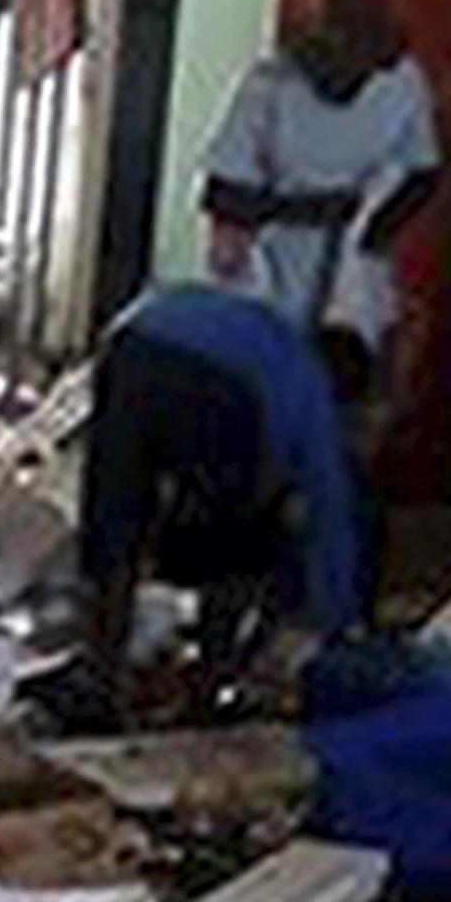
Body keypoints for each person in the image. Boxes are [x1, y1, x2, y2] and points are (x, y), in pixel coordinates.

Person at [79, 284, 368, 708]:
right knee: (234, 535)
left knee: (116, 515)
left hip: (127, 339)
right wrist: (342, 623)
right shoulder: (312, 385)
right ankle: (209, 686)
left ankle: (102, 684)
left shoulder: (272, 338)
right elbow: (333, 515)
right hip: (205, 376)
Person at [200, 0, 442, 362]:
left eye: (364, 69)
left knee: (349, 373)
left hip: (354, 260)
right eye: (344, 66)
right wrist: (304, 210)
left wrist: (372, 234)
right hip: (272, 257)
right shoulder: (268, 85)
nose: (354, 79)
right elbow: (223, 190)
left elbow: (424, 171)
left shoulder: (402, 83)